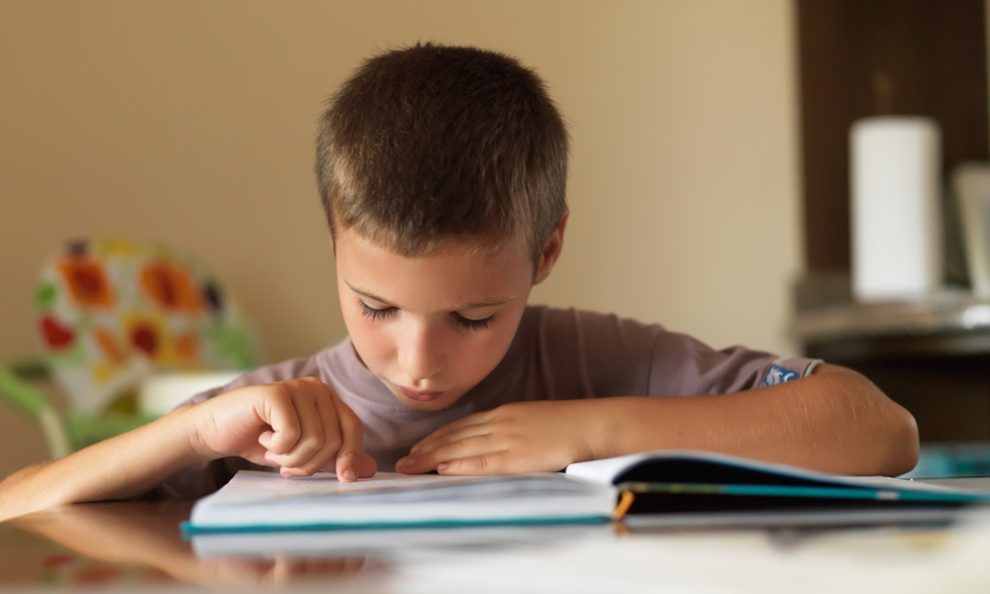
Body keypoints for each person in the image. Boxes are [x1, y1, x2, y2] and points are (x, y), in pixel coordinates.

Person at [0, 43, 918, 518]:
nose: (419, 360)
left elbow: (880, 430)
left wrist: (587, 430)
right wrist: (198, 426)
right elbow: (17, 504)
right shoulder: (282, 412)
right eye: (375, 307)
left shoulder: (593, 359)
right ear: (334, 244)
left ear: (546, 253)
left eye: (474, 316)